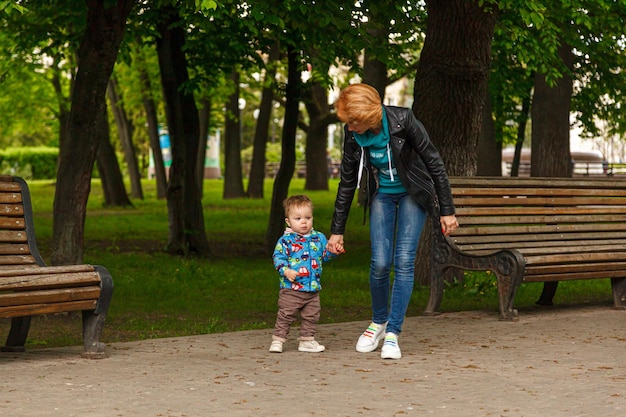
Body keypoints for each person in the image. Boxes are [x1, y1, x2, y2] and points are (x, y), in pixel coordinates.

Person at [327, 83, 458, 360]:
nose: (349, 127)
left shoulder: (403, 120)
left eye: (353, 121)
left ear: (368, 116)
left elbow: (434, 162)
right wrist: (336, 231)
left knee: (403, 260)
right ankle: (378, 322)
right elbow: (347, 181)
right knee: (380, 263)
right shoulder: (353, 135)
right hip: (382, 196)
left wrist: (447, 209)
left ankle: (393, 334)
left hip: (412, 194)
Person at [270, 194, 341, 353]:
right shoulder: (286, 241)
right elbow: (278, 257)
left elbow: (324, 256)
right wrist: (286, 270)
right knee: (286, 315)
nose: (304, 222)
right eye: (298, 218)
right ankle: (278, 340)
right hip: (291, 288)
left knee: (312, 315)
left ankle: (306, 340)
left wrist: (333, 251)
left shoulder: (318, 238)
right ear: (288, 221)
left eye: (308, 217)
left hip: (312, 287)